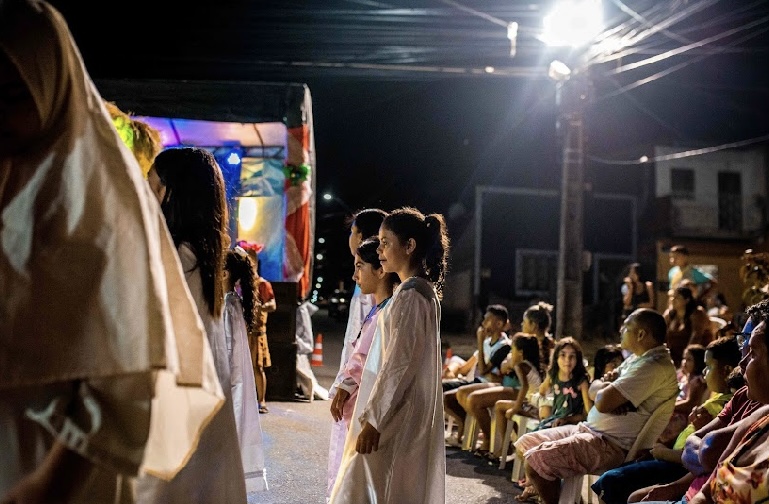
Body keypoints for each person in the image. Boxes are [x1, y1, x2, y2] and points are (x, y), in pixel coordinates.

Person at [0, 2, 221, 501]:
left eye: (13, 95)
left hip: (61, 467)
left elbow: (131, 375)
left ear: (52, 92)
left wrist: (48, 486)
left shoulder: (102, 211)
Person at [138, 146, 247, 502]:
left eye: (151, 186)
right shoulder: (202, 256)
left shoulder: (175, 259)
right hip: (201, 399)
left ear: (170, 194)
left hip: (175, 402)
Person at [329, 206, 450, 503]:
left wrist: (374, 419)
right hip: (398, 409)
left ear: (409, 246)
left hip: (395, 413)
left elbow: (399, 363)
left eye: (385, 243)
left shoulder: (411, 295)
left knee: (365, 485)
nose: (379, 250)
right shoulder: (415, 291)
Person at [515, 309, 679, 504]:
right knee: (525, 444)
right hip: (589, 431)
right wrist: (606, 389)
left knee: (535, 463)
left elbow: (601, 402)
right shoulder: (637, 358)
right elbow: (595, 389)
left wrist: (606, 394)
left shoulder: (653, 366)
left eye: (626, 327)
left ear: (641, 334)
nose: (621, 330)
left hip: (609, 444)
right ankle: (560, 496)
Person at [591, 336, 741, 504]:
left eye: (709, 366)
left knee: (611, 481)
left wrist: (664, 453)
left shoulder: (727, 406)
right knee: (615, 474)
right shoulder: (718, 399)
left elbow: (705, 457)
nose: (704, 372)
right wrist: (660, 448)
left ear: (727, 371)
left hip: (680, 468)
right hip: (673, 458)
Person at [327, 237, 398, 495]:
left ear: (380, 270)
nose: (355, 276)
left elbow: (365, 358)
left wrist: (345, 387)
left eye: (360, 267)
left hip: (370, 407)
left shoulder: (387, 313)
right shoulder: (378, 310)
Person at [514, 337, 592, 501]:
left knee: (543, 449)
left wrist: (569, 419)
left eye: (572, 356)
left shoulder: (581, 381)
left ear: (578, 359)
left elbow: (587, 414)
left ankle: (537, 487)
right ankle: (536, 484)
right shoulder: (553, 375)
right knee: (525, 445)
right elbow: (542, 391)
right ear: (556, 358)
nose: (567, 360)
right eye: (562, 355)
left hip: (572, 422)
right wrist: (545, 402)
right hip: (555, 419)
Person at [223, 247, 269, 492]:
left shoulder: (228, 305)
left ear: (224, 274)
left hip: (229, 381)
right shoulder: (233, 302)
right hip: (232, 380)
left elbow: (227, 348)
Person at [443, 304, 511, 445]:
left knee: (456, 395)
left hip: (488, 384)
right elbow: (469, 367)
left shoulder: (504, 346)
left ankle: (481, 436)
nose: (483, 323)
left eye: (487, 320)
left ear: (499, 324)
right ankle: (463, 422)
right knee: (443, 393)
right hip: (479, 380)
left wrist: (479, 341)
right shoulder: (487, 342)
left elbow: (484, 369)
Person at [469, 332, 542, 460]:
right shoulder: (527, 364)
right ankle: (510, 443)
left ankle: (506, 446)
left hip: (533, 405)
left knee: (500, 406)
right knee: (501, 406)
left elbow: (524, 387)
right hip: (533, 403)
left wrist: (516, 407)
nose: (511, 353)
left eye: (513, 349)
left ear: (520, 352)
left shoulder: (520, 366)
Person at [237, 240, 276, 414]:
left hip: (257, 332)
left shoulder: (262, 284)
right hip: (241, 331)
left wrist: (261, 307)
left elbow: (273, 304)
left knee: (257, 367)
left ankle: (261, 400)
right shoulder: (239, 284)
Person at [658, 344, 708, 445]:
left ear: (698, 362)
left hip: (681, 416)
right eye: (684, 358)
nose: (684, 362)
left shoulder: (696, 381)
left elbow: (689, 404)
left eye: (689, 360)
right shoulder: (683, 376)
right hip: (673, 409)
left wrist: (667, 406)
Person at [664, 286, 714, 367]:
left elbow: (696, 337)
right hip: (675, 356)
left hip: (695, 357)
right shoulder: (669, 315)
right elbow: (661, 333)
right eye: (672, 297)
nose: (673, 300)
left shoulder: (697, 313)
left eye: (677, 297)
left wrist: (685, 357)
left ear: (686, 300)